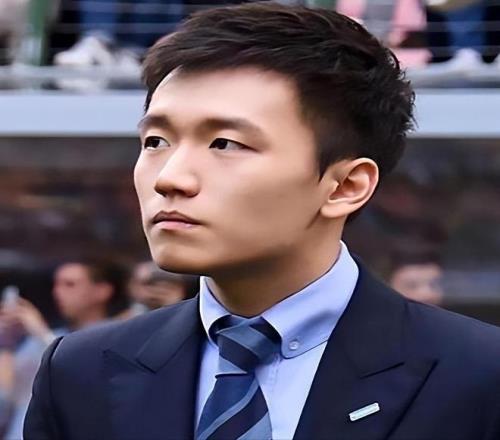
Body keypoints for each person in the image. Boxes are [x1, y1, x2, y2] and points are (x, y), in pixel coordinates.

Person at [25, 3, 500, 440]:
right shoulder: (79, 373)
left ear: (345, 185)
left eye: (225, 144)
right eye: (155, 142)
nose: (169, 178)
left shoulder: (475, 375)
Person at [1, 258, 129, 439]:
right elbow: (7, 399)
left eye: (70, 284)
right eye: (56, 284)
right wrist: (7, 343)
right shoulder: (42, 337)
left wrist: (40, 331)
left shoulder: (119, 336)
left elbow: (83, 381)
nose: (57, 292)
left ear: (102, 291)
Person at [124, 261, 198, 316]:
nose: (159, 290)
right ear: (131, 286)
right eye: (150, 284)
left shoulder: (192, 318)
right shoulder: (124, 322)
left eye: (169, 285)